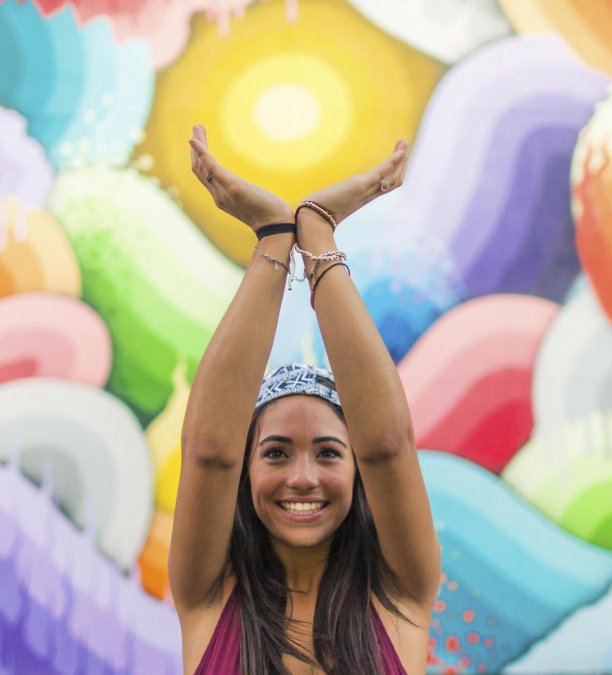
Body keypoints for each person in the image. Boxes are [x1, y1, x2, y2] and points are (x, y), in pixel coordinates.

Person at [169, 125, 441, 675]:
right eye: (274, 452)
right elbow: (208, 452)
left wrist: (317, 233)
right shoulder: (208, 594)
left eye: (328, 452)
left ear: (358, 468)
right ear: (243, 472)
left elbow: (387, 444)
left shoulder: (401, 593)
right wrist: (273, 236)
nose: (302, 477)